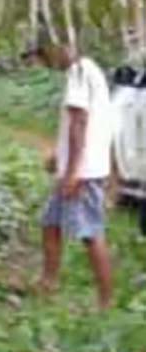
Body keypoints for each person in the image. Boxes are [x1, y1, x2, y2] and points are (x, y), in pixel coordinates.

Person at [31, 40, 115, 310]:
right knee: (50, 224)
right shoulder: (87, 70)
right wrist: (60, 156)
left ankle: (105, 302)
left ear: (60, 47)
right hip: (80, 166)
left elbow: (80, 122)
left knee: (91, 234)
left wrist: (73, 171)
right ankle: (48, 283)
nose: (47, 63)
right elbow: (81, 122)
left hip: (83, 172)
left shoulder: (79, 72)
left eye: (45, 56)